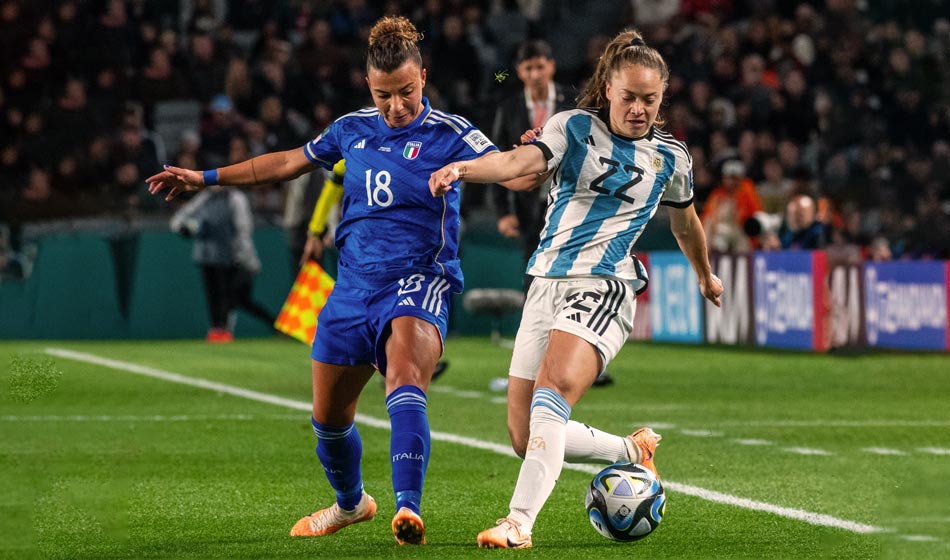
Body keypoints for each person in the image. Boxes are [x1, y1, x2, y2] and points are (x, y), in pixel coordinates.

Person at [148, 16, 498, 545]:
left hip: (419, 278)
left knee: (404, 378)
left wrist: (534, 154)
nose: (396, 106)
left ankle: (409, 509)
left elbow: (511, 167)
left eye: (406, 92)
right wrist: (205, 178)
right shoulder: (352, 128)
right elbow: (288, 162)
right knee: (329, 419)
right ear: (368, 87)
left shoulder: (452, 134)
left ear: (423, 78)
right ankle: (351, 504)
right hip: (352, 287)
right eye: (384, 95)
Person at [429, 29, 723, 549]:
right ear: (608, 88)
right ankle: (631, 452)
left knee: (553, 391)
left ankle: (518, 522)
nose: (638, 109)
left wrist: (704, 273)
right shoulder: (573, 128)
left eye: (649, 100)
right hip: (545, 283)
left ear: (662, 99)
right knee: (525, 436)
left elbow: (686, 223)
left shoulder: (671, 159)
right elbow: (520, 163)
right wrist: (465, 169)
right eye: (629, 96)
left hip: (607, 284)